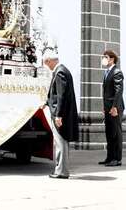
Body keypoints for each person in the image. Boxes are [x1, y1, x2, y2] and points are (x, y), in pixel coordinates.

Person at [43, 49, 78, 179]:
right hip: (62, 112)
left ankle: (61, 171)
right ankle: (61, 169)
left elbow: (61, 96)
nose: (46, 66)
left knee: (60, 142)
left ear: (49, 61)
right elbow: (57, 94)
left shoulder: (60, 72)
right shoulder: (62, 70)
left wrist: (58, 115)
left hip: (61, 114)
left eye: (46, 63)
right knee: (61, 142)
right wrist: (47, 102)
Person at [100, 49, 124, 167]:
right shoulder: (107, 72)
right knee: (109, 133)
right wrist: (105, 107)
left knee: (116, 133)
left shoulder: (117, 72)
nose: (103, 59)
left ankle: (117, 159)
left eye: (105, 57)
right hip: (108, 107)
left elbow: (119, 91)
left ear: (112, 59)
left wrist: (114, 107)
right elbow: (106, 92)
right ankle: (109, 157)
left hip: (115, 108)